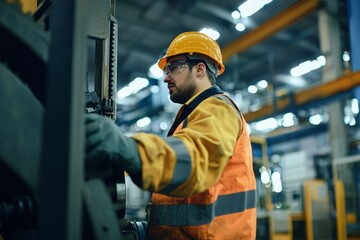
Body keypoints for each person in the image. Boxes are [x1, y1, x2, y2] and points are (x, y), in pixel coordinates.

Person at [85, 31, 257, 239]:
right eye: (166, 69)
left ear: (200, 69)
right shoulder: (194, 114)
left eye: (174, 67)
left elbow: (195, 157)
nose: (166, 77)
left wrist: (130, 150)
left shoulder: (217, 110)